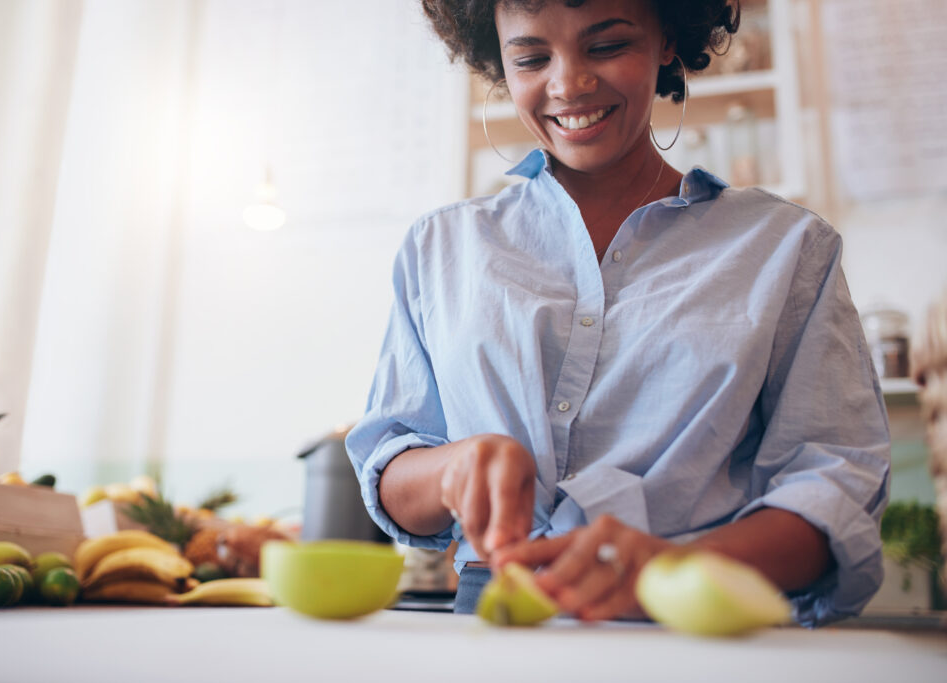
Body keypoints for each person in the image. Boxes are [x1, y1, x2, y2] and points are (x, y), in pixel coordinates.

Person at [345, 0, 891, 627]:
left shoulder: (785, 248)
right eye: (530, 58)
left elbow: (835, 489)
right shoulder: (441, 248)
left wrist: (669, 568)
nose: (568, 83)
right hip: (490, 627)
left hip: (698, 626)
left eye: (606, 46)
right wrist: (451, 470)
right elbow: (390, 462)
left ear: (666, 41)